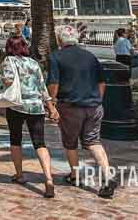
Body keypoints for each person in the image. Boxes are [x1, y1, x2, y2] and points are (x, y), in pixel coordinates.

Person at [47, 24, 117, 198]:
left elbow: (53, 83)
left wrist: (52, 103)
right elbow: (102, 82)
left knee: (70, 142)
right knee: (94, 141)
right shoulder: (90, 56)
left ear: (59, 39)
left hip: (70, 106)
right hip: (94, 106)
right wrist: (97, 100)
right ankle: (107, 176)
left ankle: (75, 175)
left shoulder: (56, 57)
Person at [0, 36, 58, 198]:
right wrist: (50, 107)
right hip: (36, 106)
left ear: (9, 47)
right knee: (40, 143)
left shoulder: (9, 61)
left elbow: (8, 81)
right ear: (25, 47)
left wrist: (2, 77)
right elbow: (42, 87)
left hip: (16, 105)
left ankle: (19, 174)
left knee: (15, 139)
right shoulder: (34, 63)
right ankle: (49, 178)